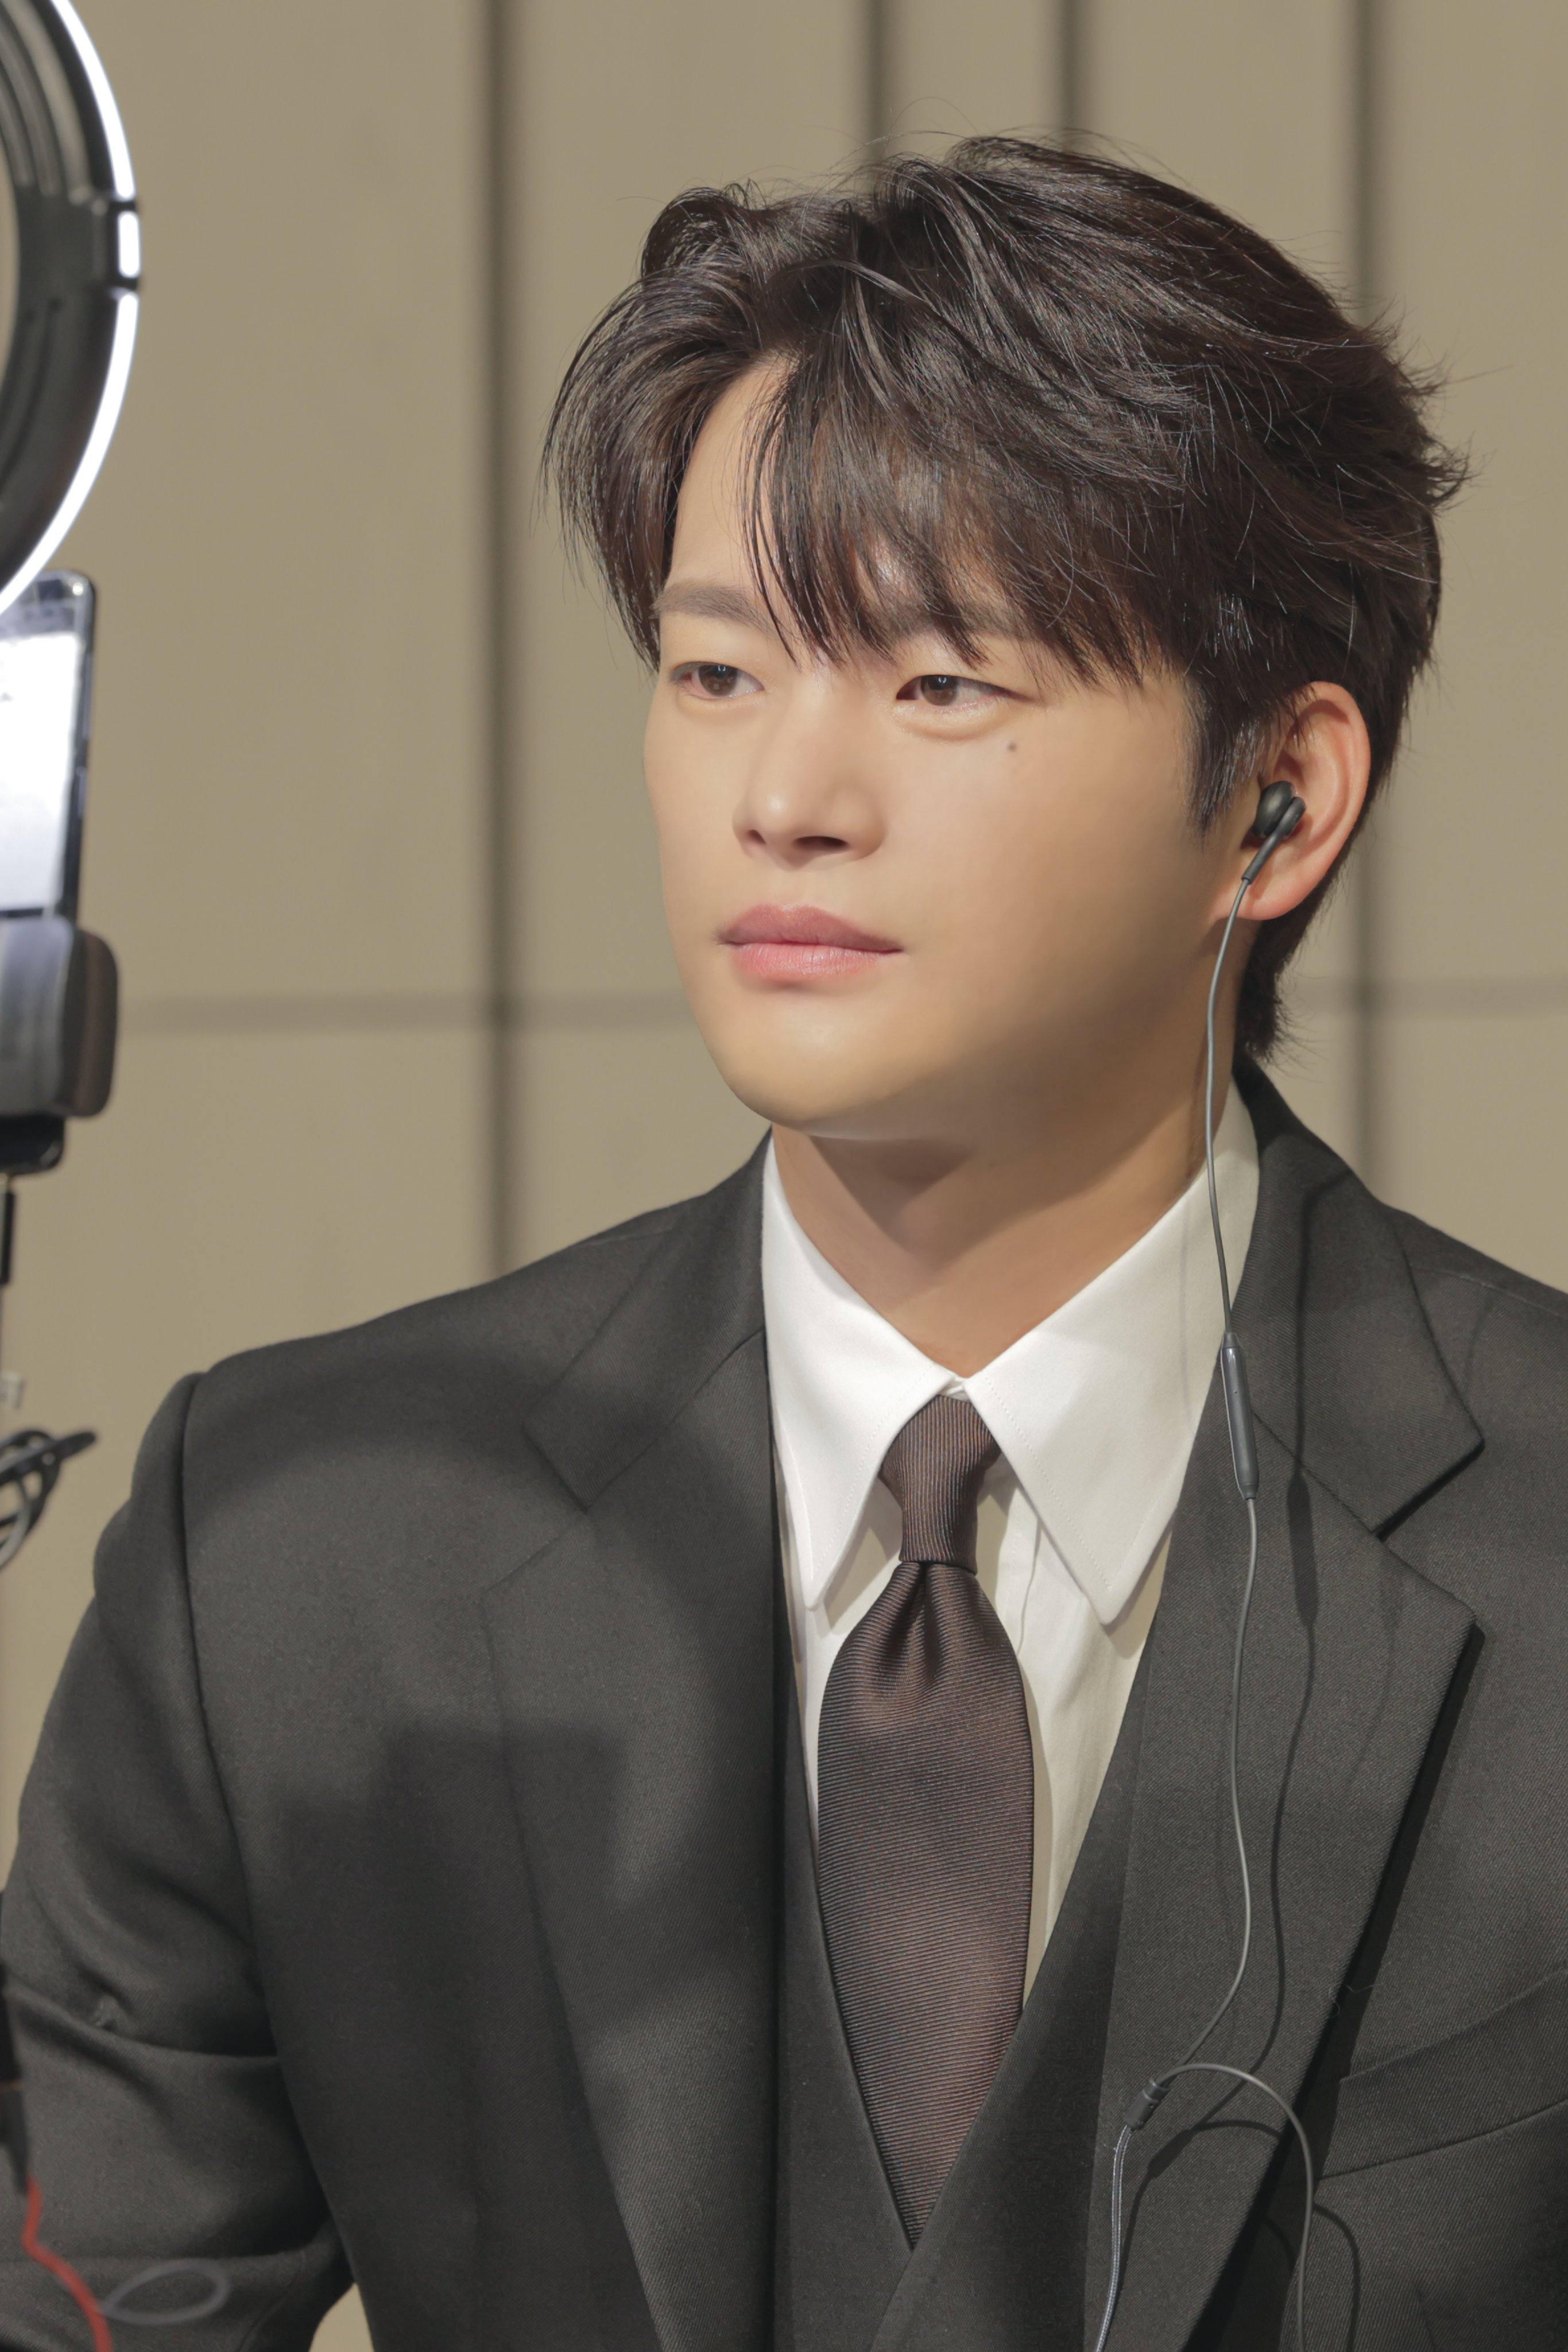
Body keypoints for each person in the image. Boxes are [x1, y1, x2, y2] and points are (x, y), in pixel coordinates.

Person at [0, 136, 1563, 2352]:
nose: (783, 801)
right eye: (717, 672)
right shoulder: (294, 1554)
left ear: (1276, 797)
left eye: (938, 685)